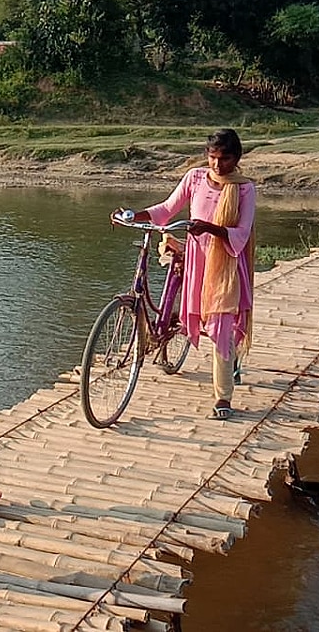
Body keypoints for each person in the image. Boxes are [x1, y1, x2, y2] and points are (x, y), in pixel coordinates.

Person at [116, 129, 255, 420]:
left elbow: (241, 234)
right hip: (197, 259)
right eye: (213, 157)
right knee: (201, 319)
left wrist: (209, 228)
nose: (217, 165)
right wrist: (132, 214)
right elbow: (167, 209)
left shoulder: (244, 189)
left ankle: (223, 397)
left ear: (236, 158)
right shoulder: (195, 178)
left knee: (220, 328)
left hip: (225, 264)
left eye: (225, 159)